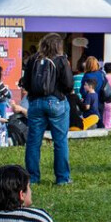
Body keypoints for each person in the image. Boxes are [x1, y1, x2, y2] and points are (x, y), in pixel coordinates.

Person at [21, 33, 74, 185]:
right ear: (58, 45)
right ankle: (62, 178)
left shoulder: (33, 59)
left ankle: (32, 178)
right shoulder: (61, 60)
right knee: (60, 141)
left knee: (33, 142)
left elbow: (26, 83)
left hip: (36, 103)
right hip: (56, 101)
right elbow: (69, 84)